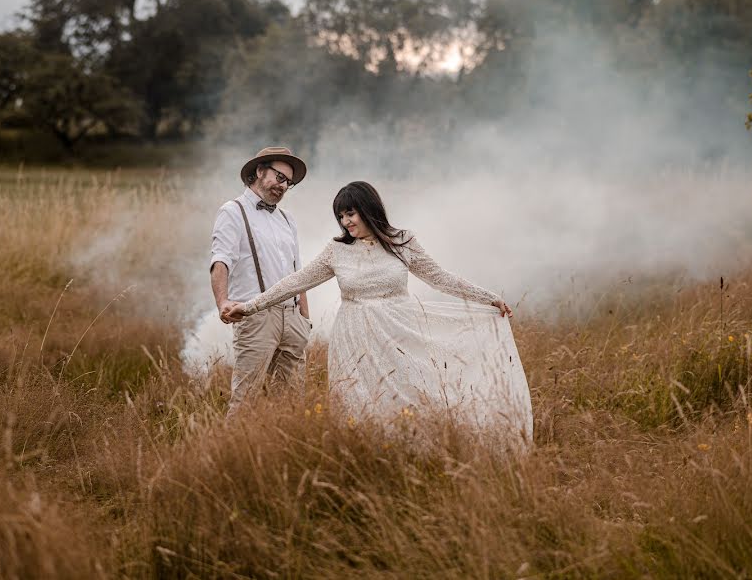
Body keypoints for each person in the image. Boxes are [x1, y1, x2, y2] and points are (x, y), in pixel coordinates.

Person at [224, 181, 533, 443]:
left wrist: (488, 298)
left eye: (350, 213)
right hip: (354, 337)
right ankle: (368, 458)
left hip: (400, 331)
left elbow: (440, 277)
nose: (346, 222)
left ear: (368, 208)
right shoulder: (337, 251)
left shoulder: (402, 241)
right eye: (341, 216)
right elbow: (295, 282)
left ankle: (419, 451)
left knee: (412, 393)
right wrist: (250, 306)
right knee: (361, 403)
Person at [210, 146, 313, 417]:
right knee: (245, 401)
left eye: (288, 182)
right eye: (279, 177)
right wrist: (222, 302)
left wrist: (305, 318)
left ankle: (282, 457)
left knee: (292, 403)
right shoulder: (232, 211)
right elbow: (221, 259)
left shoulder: (287, 219)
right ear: (259, 171)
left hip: (293, 319)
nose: (283, 186)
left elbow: (297, 272)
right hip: (256, 318)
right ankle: (231, 457)